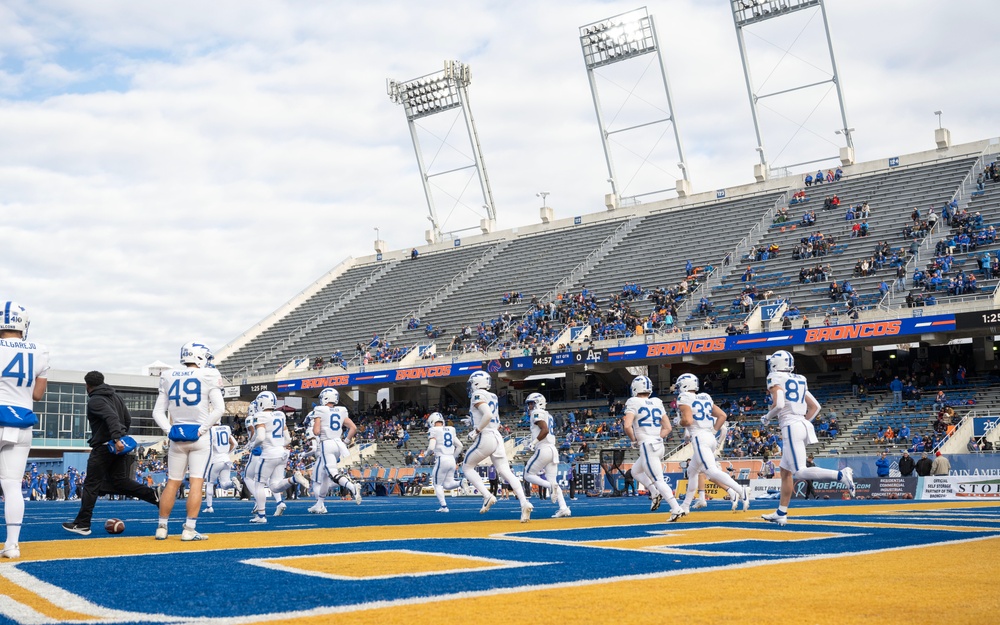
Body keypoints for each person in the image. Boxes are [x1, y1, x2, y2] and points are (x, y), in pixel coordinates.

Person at [760, 350, 855, 527]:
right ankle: (781, 512)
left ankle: (841, 475)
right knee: (785, 472)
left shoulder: (775, 377)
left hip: (791, 426)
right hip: (802, 425)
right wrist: (802, 422)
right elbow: (816, 407)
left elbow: (779, 404)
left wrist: (767, 417)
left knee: (800, 472)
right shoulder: (800, 379)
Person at [63, 370, 160, 537]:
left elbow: (111, 417)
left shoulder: (95, 400)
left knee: (91, 485)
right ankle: (154, 496)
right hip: (117, 447)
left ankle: (83, 524)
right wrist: (121, 436)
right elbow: (127, 419)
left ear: (87, 385)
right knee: (120, 481)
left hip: (105, 447)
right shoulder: (116, 397)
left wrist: (116, 438)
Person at [151, 342, 226, 541]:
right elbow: (219, 409)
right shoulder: (209, 375)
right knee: (196, 483)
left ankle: (161, 527)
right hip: (199, 437)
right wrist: (201, 429)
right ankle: (189, 529)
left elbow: (157, 412)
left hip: (177, 436)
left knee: (172, 483)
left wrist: (170, 431)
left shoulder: (168, 375)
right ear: (201, 356)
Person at [0, 303, 50, 558]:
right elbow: (38, 394)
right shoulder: (40, 350)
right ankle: (12, 545)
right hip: (21, 421)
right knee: (11, 485)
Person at [460, 371, 534, 522]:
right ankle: (524, 502)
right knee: (506, 472)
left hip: (486, 435)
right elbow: (493, 419)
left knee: (467, 467)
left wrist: (476, 431)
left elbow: (487, 415)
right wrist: (472, 421)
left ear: (476, 383)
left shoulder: (477, 395)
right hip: (497, 436)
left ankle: (487, 496)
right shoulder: (492, 396)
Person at [674, 373, 749, 515]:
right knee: (692, 471)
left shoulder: (684, 398)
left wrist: (679, 422)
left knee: (711, 471)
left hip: (700, 437)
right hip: (709, 437)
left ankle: (740, 490)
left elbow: (688, 421)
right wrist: (713, 432)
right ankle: (685, 505)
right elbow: (722, 416)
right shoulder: (705, 397)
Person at [624, 375, 685, 521]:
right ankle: (654, 492)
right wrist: (655, 437)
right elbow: (668, 427)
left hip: (648, 445)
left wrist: (634, 440)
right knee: (635, 471)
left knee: (658, 479)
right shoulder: (657, 401)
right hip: (658, 444)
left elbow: (627, 426)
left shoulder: (633, 401)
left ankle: (676, 508)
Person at [246, 391, 309, 523]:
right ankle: (293, 479)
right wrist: (278, 445)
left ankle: (261, 516)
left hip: (269, 454)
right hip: (282, 453)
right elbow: (288, 438)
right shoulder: (280, 415)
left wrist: (252, 444)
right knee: (274, 486)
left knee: (259, 484)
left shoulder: (260, 415)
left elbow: (261, 436)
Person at [306, 388, 361, 514]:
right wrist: (346, 442)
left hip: (327, 443)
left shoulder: (320, 410)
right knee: (325, 476)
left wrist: (315, 423)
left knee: (332, 473)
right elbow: (353, 428)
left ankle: (352, 487)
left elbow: (316, 431)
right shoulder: (341, 410)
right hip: (338, 444)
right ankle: (320, 504)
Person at [522, 393, 571, 518]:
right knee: (553, 481)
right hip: (552, 449)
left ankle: (550, 486)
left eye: (531, 403)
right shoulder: (548, 415)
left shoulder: (537, 413)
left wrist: (533, 442)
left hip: (543, 448)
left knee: (528, 475)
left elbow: (545, 430)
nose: (530, 406)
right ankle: (563, 507)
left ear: (538, 402)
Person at [425, 411, 462, 512]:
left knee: (437, 484)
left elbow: (431, 447)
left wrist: (426, 453)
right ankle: (462, 483)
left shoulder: (434, 430)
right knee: (448, 484)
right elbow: (460, 446)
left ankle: (444, 506)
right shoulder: (451, 429)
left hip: (442, 458)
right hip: (451, 458)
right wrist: (453, 457)